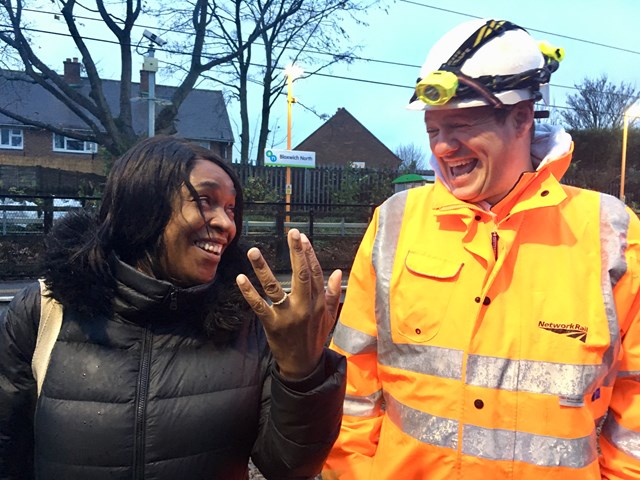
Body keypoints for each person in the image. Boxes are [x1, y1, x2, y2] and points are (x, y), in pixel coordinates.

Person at [323, 18, 640, 479]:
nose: (444, 147)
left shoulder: (610, 233)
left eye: (462, 125)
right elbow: (353, 383)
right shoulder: (395, 221)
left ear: (522, 117)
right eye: (433, 130)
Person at [0, 135, 346, 480]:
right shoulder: (45, 311)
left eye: (230, 208)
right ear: (142, 206)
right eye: (206, 200)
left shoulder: (246, 324)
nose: (227, 224)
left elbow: (288, 467)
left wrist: (303, 373)